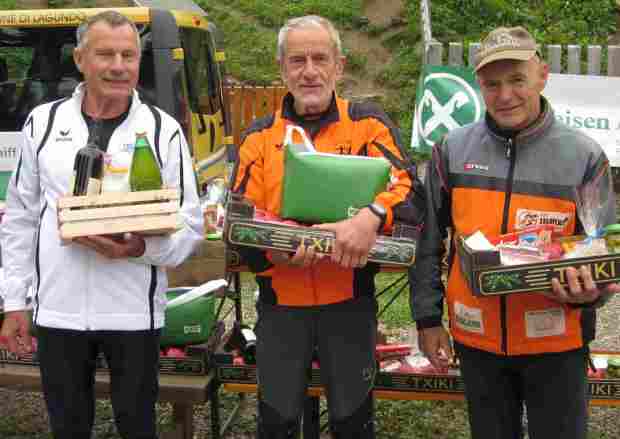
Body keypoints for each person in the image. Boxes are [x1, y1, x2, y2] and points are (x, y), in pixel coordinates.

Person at [0, 10, 203, 439]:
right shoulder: (43, 122)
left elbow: (190, 227)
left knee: (137, 427)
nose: (118, 65)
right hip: (58, 312)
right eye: (105, 54)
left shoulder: (163, 131)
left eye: (128, 55)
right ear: (80, 59)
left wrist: (139, 249)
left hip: (134, 313)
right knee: (68, 428)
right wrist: (15, 301)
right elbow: (19, 218)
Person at [411, 25, 620, 439]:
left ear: (542, 75)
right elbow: (427, 240)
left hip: (556, 346)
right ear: (479, 86)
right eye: (492, 84)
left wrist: (590, 292)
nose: (505, 95)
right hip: (478, 343)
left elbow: (602, 250)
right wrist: (427, 318)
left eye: (517, 80)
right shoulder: (451, 150)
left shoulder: (585, 156)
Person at [231, 15, 424, 439]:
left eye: (321, 58)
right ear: (282, 68)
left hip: (349, 303)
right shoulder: (259, 137)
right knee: (277, 423)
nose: (310, 70)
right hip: (281, 305)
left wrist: (370, 217)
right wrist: (272, 251)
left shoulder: (368, 125)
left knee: (352, 423)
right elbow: (240, 219)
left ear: (340, 65)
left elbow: (410, 190)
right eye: (297, 60)